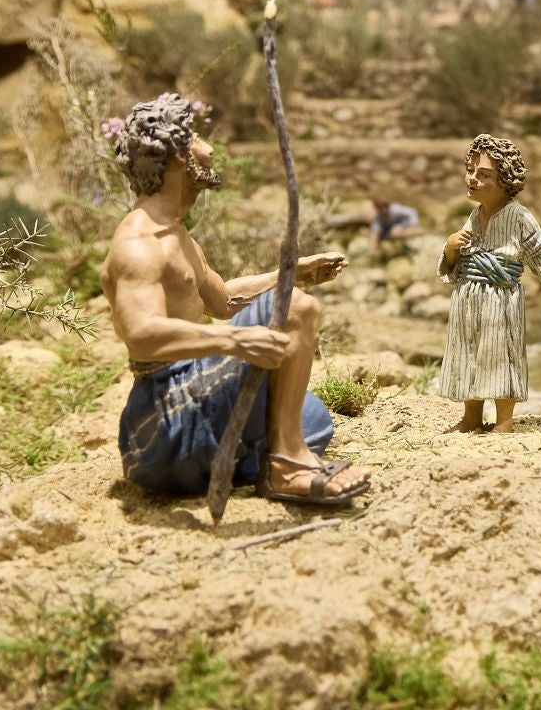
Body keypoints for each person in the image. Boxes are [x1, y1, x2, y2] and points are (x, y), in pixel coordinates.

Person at [101, 94, 370, 506]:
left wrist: (289, 274)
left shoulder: (178, 235)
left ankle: (257, 458)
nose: (208, 150)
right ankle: (285, 468)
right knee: (299, 308)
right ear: (176, 155)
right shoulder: (139, 244)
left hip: (194, 394)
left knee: (312, 418)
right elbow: (142, 335)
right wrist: (234, 342)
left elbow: (223, 301)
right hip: (162, 421)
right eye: (195, 138)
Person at [438, 133, 541, 434]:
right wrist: (449, 249)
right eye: (470, 170)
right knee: (468, 355)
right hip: (468, 300)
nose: (471, 179)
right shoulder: (474, 216)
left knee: (501, 356)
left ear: (504, 181)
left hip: (500, 300)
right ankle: (471, 416)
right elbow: (457, 261)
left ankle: (504, 421)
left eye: (483, 174)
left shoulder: (520, 218)